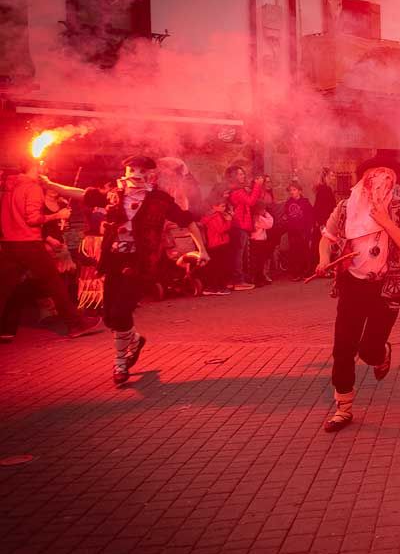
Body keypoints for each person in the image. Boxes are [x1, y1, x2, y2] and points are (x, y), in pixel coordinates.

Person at [316, 156, 400, 432]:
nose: (379, 181)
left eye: (386, 176)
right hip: (353, 284)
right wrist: (323, 259)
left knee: (368, 350)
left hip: (386, 288)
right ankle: (343, 407)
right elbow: (326, 238)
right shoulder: (345, 208)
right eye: (373, 176)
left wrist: (386, 222)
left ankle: (380, 353)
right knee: (343, 347)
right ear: (363, 181)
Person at [83, 155, 209, 384]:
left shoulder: (159, 200)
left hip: (139, 263)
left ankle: (120, 363)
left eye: (143, 171)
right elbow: (83, 194)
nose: (137, 175)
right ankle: (135, 340)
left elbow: (187, 220)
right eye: (133, 169)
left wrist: (202, 250)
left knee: (121, 312)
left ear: (151, 175)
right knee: (111, 317)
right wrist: (49, 185)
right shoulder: (115, 195)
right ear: (126, 172)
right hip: (113, 260)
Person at [0, 158, 100, 341]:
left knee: (3, 287)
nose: (45, 168)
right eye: (42, 165)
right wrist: (57, 215)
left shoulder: (8, 186)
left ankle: (5, 329)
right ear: (34, 167)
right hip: (28, 243)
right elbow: (33, 219)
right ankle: (75, 324)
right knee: (55, 284)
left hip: (9, 243)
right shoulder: (33, 188)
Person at [225, 163, 264, 291]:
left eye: (243, 173)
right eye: (240, 174)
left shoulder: (237, 190)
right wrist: (257, 185)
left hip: (240, 224)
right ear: (234, 177)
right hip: (239, 225)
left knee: (238, 254)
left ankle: (234, 280)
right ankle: (238, 281)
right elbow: (251, 202)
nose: (243, 176)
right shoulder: (237, 192)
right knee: (238, 254)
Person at [283, 182, 315, 281]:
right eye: (291, 190)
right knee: (294, 251)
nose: (292, 192)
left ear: (299, 191)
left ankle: (306, 271)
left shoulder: (305, 202)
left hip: (303, 230)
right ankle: (296, 273)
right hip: (293, 231)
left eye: (294, 190)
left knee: (304, 251)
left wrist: (309, 229)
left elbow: (310, 217)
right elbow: (286, 215)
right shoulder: (288, 203)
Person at [200, 196, 232, 295]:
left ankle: (214, 287)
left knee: (216, 267)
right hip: (218, 244)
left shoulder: (211, 216)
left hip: (215, 244)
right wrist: (229, 221)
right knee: (219, 267)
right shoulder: (215, 216)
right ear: (215, 206)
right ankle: (217, 287)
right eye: (222, 206)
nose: (224, 208)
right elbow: (221, 230)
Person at [250, 201, 274, 286]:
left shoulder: (253, 217)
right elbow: (269, 224)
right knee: (260, 262)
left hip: (254, 241)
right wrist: (267, 213)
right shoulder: (259, 218)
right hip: (259, 241)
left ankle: (259, 278)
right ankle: (258, 279)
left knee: (257, 261)